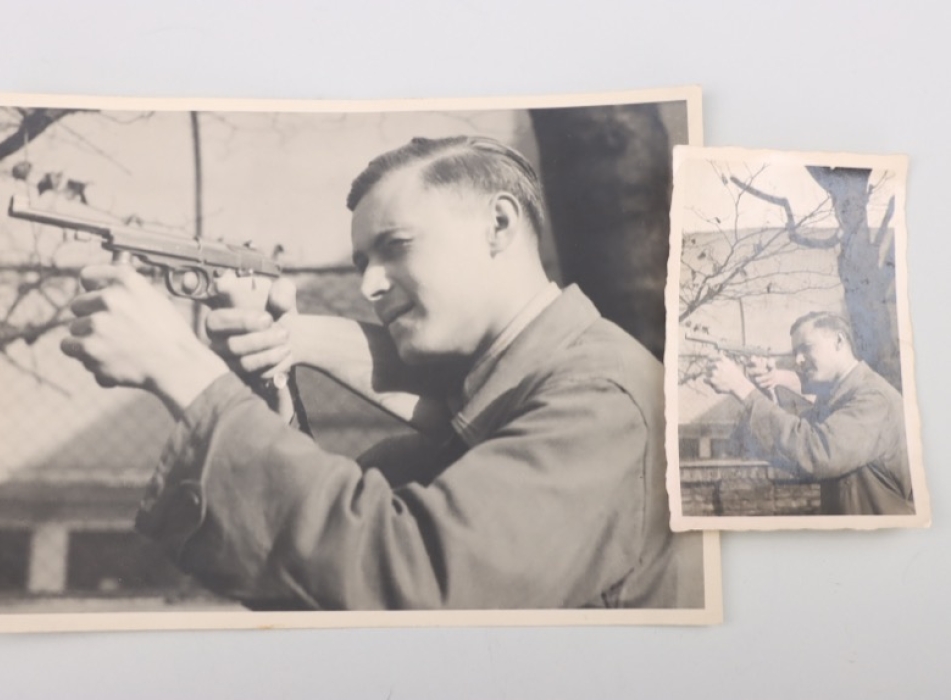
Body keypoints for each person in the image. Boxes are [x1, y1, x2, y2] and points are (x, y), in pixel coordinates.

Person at [61, 135, 704, 610]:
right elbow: (321, 565)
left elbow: (406, 573)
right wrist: (276, 359)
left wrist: (184, 371)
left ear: (499, 224)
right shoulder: (515, 400)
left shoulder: (599, 402)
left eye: (395, 247)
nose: (368, 283)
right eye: (361, 260)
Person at [705, 311, 913, 516]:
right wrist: (765, 390)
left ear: (838, 341)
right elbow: (791, 451)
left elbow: (815, 453)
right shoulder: (838, 398)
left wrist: (743, 388)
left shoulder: (872, 397)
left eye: (806, 348)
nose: (798, 360)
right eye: (795, 352)